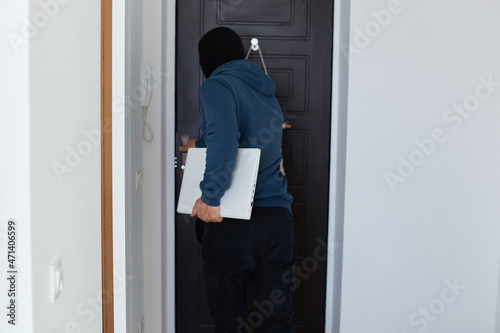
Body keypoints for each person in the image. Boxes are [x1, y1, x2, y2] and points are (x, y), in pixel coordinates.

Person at [189, 26, 295, 333]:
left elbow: (225, 143)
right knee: (275, 321)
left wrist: (209, 198)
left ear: (206, 60)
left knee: (229, 320)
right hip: (277, 221)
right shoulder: (265, 91)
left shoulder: (216, 86)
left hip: (234, 223)